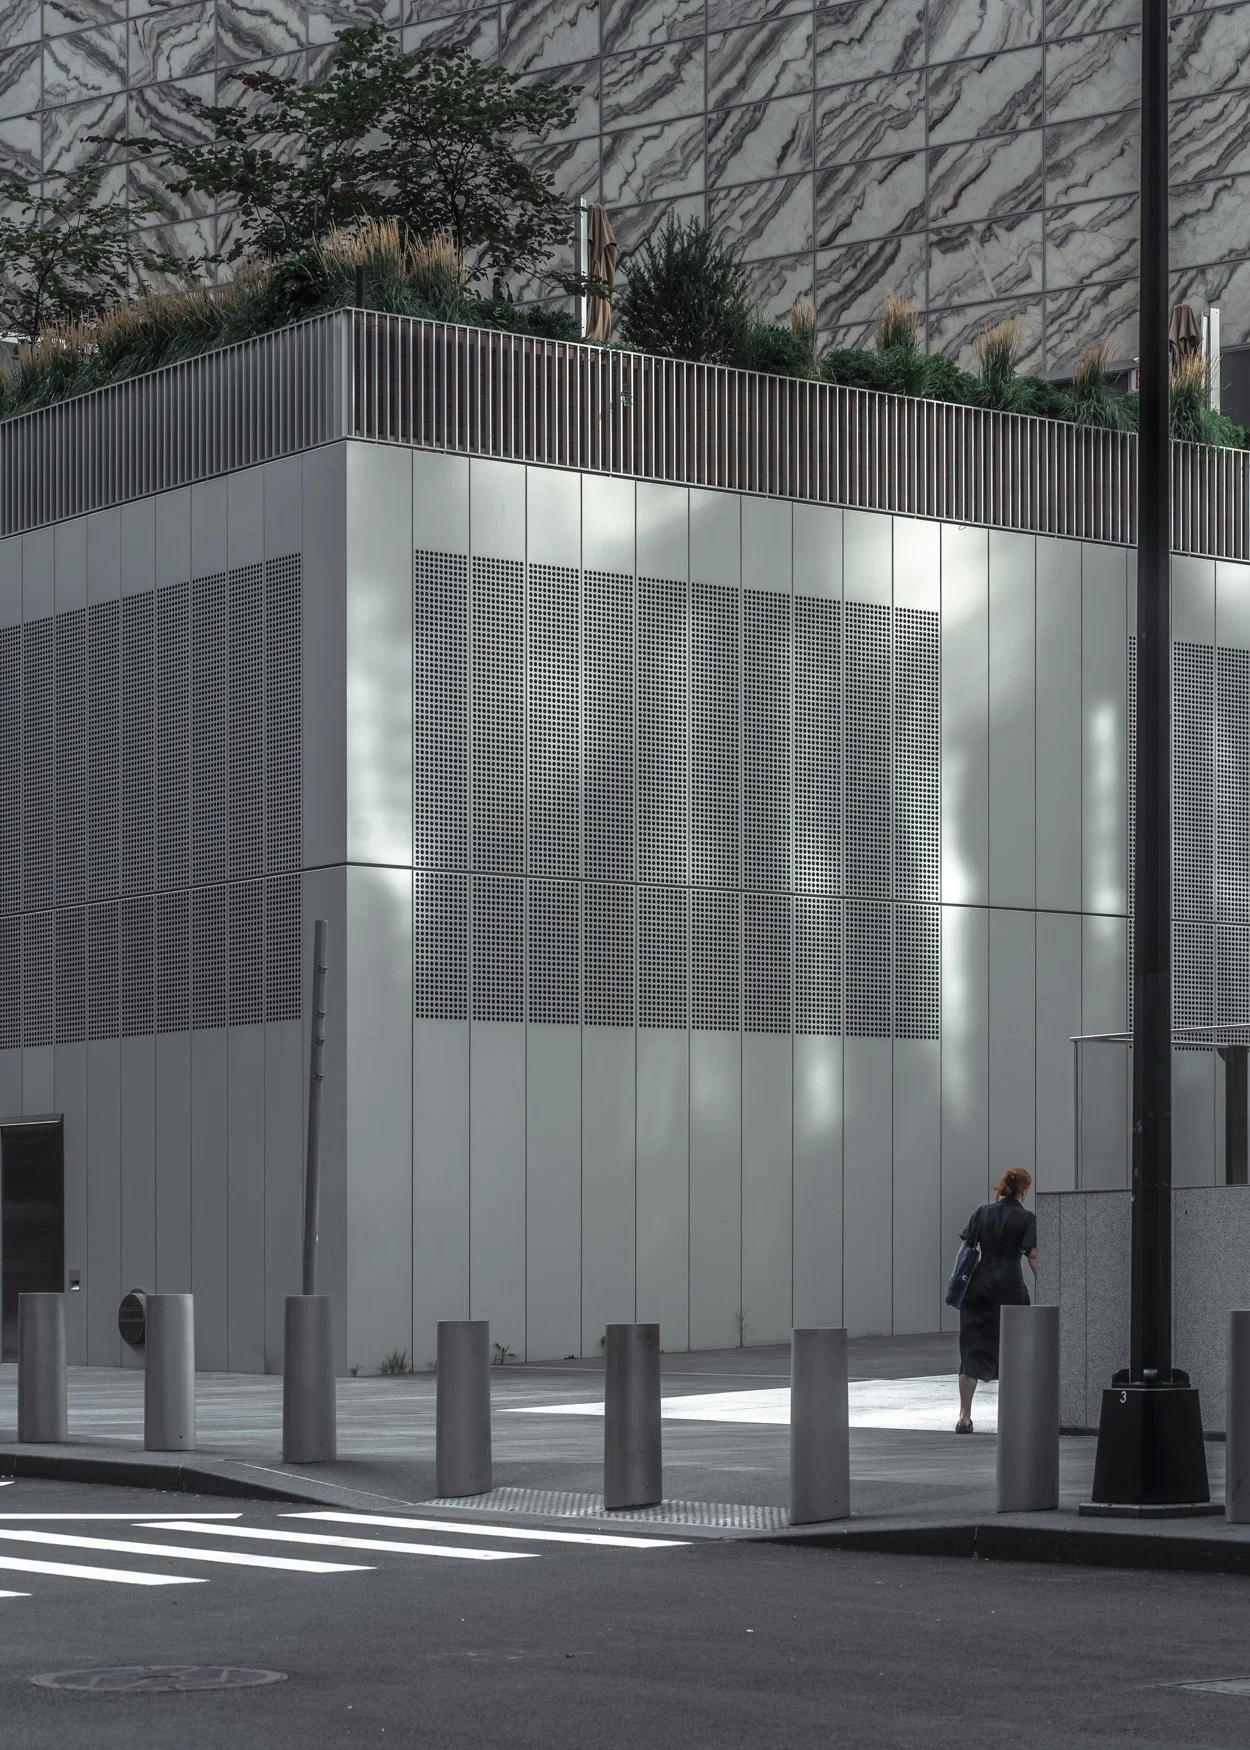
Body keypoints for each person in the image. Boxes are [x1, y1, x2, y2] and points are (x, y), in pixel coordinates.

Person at [953, 1167, 1038, 1433]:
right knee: (1013, 1350)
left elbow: (965, 1249)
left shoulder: (982, 1212)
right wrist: (1048, 1285)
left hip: (978, 1286)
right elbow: (1032, 1256)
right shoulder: (1027, 1218)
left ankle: (964, 1417)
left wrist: (957, 1283)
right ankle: (1012, 1417)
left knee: (971, 1349)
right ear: (1023, 1190)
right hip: (1010, 1287)